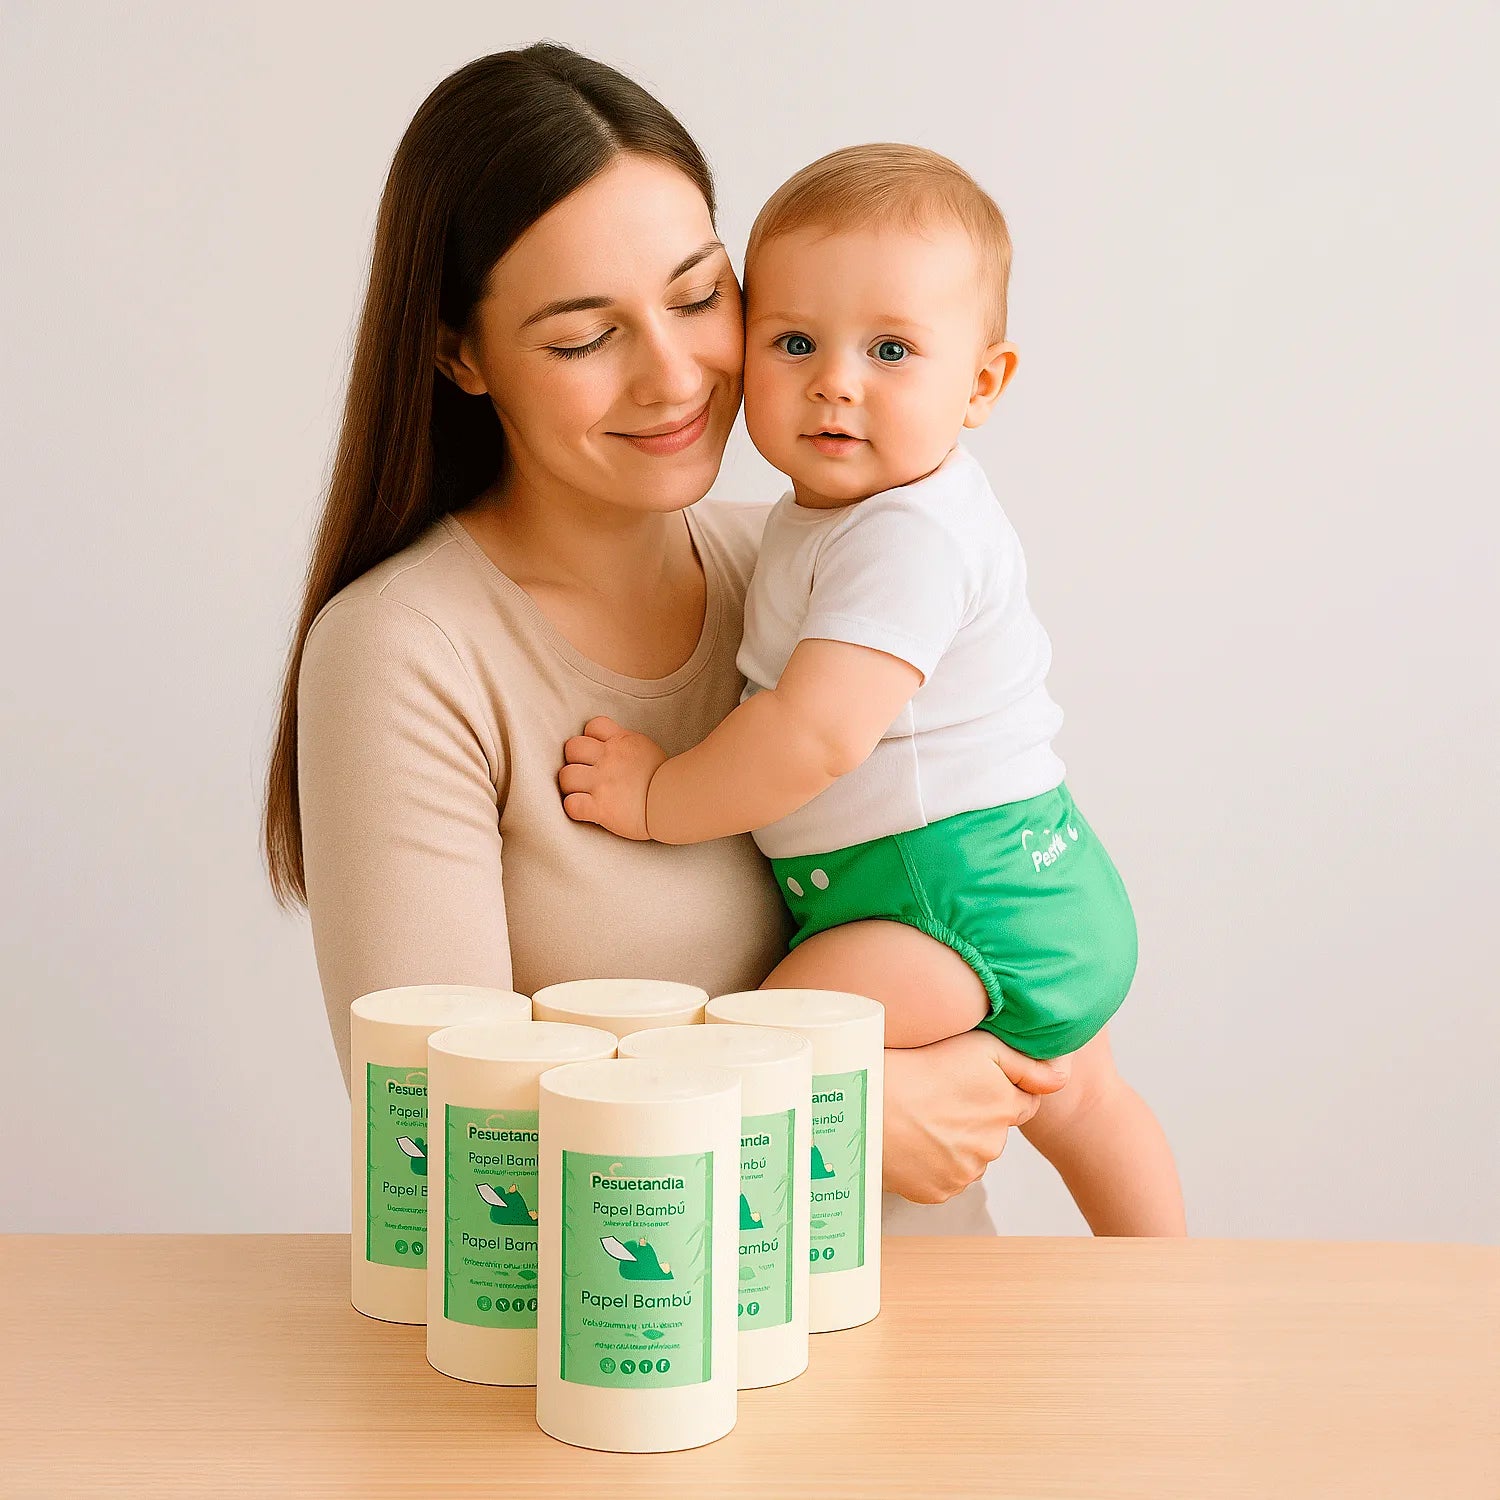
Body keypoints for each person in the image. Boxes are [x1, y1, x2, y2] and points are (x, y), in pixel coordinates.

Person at [262, 43, 1068, 1227]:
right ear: (459, 353)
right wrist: (831, 1110)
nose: (676, 374)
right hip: (620, 1389)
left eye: (699, 296)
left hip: (937, 1337)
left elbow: (1006, 901)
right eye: (585, 336)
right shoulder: (408, 653)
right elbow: (439, 1131)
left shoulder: (821, 576)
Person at [559, 144, 1186, 1235]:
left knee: (754, 1045)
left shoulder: (908, 537)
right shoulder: (848, 518)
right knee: (1082, 1095)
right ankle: (1166, 1284)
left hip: (948, 899)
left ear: (982, 383)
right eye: (794, 342)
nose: (835, 381)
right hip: (1028, 878)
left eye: (891, 349)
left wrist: (662, 799)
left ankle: (1166, 1300)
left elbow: (813, 737)